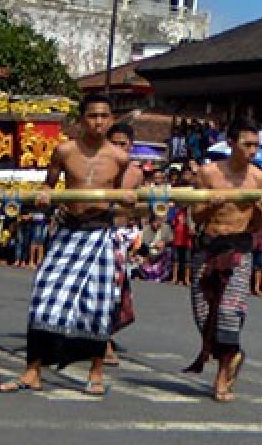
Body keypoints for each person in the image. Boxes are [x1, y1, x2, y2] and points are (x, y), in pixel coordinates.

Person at [0, 94, 133, 397]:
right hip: (68, 232)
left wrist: (125, 200)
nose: (98, 122)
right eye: (92, 116)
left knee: (99, 304)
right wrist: (46, 193)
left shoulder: (119, 157)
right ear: (81, 119)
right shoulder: (64, 150)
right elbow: (49, 184)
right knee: (43, 296)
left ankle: (95, 373)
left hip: (100, 234)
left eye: (104, 116)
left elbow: (121, 193)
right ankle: (32, 371)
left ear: (111, 120)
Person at [185, 118, 262, 402]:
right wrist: (209, 205)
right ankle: (232, 354)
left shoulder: (259, 178)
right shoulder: (209, 174)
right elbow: (195, 215)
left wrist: (261, 210)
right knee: (203, 314)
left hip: (239, 248)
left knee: (228, 311)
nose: (252, 151)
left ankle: (222, 376)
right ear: (231, 143)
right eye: (247, 144)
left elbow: (259, 224)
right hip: (209, 245)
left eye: (256, 146)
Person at [104, 121, 144, 366]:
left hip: (120, 236)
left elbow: (140, 207)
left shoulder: (136, 172)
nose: (119, 148)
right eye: (114, 143)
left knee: (117, 292)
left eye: (123, 144)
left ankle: (105, 338)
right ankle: (100, 340)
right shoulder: (98, 166)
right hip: (96, 231)